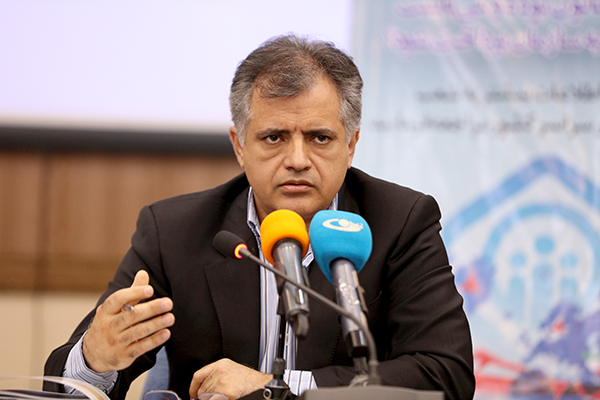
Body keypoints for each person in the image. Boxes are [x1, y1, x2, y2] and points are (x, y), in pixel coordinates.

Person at [44, 34, 475, 400]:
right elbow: (70, 381)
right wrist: (94, 359)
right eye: (274, 138)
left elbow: (447, 374)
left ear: (351, 145)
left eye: (319, 138)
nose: (298, 159)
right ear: (239, 146)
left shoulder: (400, 222)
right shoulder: (175, 232)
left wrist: (278, 389)